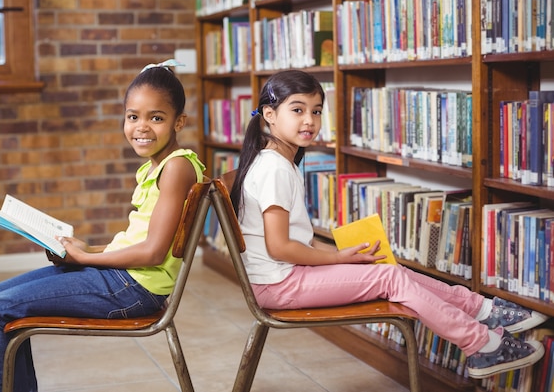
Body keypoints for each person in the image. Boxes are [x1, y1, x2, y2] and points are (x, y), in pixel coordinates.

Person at [230, 69, 548, 380]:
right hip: (278, 285)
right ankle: (480, 343)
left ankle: (480, 308)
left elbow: (303, 239)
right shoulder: (275, 169)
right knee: (390, 278)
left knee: (387, 268)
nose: (309, 121)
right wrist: (340, 258)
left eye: (316, 111)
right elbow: (280, 247)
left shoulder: (276, 161)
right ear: (269, 115)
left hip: (282, 278)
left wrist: (346, 254)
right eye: (297, 110)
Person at [0, 59, 205, 392]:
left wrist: (84, 260)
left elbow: (154, 252)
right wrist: (86, 249)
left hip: (134, 289)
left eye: (156, 118)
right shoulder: (158, 167)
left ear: (178, 122)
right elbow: (141, 240)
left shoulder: (176, 168)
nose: (141, 127)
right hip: (125, 279)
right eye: (133, 117)